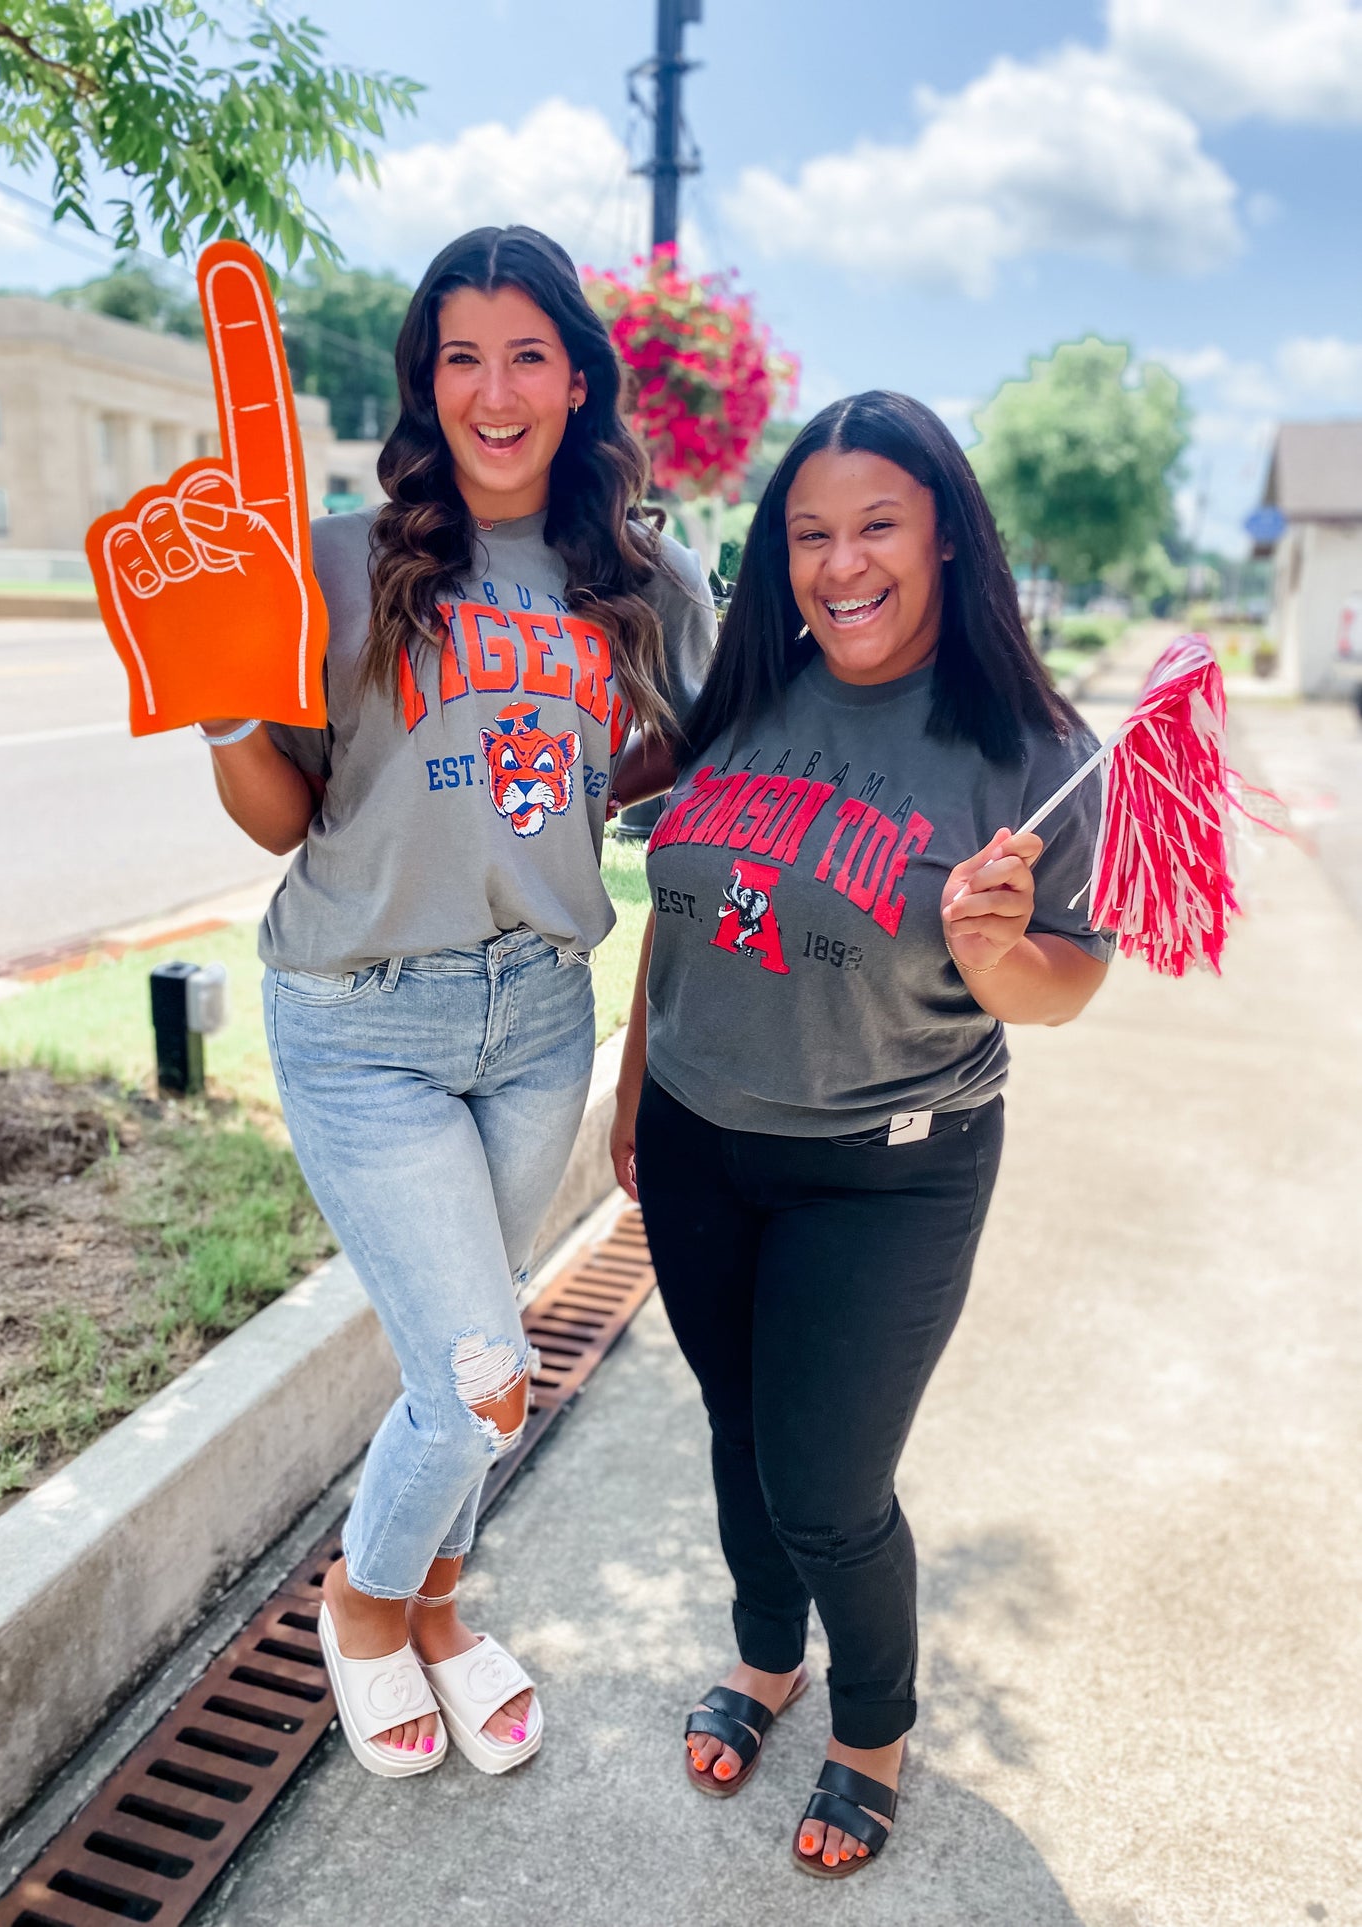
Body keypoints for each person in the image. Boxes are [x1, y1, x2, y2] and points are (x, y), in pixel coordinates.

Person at [196, 225, 714, 1779]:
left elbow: (681, 742)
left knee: (458, 1375)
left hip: (539, 1012)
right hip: (362, 1014)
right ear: (425, 378)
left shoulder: (645, 574)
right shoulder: (341, 561)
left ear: (576, 378)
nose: (495, 390)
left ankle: (435, 1606)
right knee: (484, 1374)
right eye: (460, 355)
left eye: (528, 354)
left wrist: (580, 810)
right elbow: (284, 818)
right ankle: (358, 1609)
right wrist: (224, 695)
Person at [610, 390, 1112, 1874]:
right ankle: (767, 1659)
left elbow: (1063, 986)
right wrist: (637, 1089)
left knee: (825, 1489)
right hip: (701, 1138)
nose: (842, 564)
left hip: (884, 1172)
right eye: (810, 534)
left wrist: (999, 949)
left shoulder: (1027, 749)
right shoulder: (750, 691)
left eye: (876, 526)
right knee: (734, 1431)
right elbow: (679, 913)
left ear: (946, 537)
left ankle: (870, 1728)